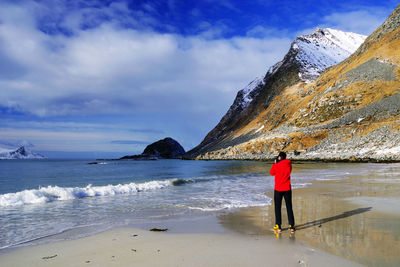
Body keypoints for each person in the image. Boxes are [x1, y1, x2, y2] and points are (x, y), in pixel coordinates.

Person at [269, 151, 295, 233]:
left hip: (278, 188)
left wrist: (275, 164)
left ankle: (278, 226)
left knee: (277, 207)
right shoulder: (289, 164)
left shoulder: (276, 165)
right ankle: (291, 226)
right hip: (287, 188)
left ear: (279, 157)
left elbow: (272, 173)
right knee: (289, 207)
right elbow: (288, 170)